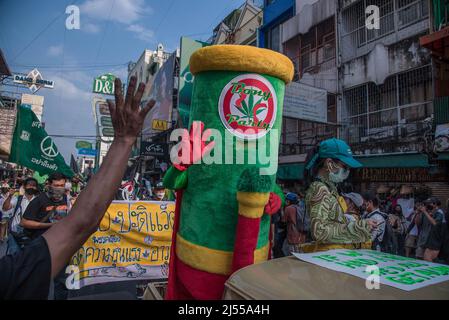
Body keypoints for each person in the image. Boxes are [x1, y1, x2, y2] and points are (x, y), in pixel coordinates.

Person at [0, 76, 154, 299]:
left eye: (63, 185)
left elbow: (81, 222)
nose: (60, 188)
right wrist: (124, 140)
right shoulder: (38, 202)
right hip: (33, 247)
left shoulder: (9, 276)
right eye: (57, 185)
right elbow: (80, 224)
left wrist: (124, 140)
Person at [304, 138, 376, 252]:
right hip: (327, 257)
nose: (347, 171)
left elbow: (331, 223)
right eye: (345, 167)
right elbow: (319, 231)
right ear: (329, 164)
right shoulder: (320, 189)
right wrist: (358, 227)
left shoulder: (329, 188)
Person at [1, 177, 40, 255]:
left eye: (34, 185)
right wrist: (10, 196)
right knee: (13, 256)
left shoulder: (38, 201)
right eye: (29, 185)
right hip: (14, 235)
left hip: (29, 236)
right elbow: (5, 208)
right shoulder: (17, 199)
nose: (32, 187)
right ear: (24, 186)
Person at [416, 197, 446, 262]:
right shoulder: (430, 212)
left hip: (434, 241)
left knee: (428, 259)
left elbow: (435, 223)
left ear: (435, 204)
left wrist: (425, 212)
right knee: (423, 258)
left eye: (429, 203)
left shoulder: (439, 212)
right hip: (426, 240)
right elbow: (417, 223)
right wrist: (418, 212)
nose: (427, 205)